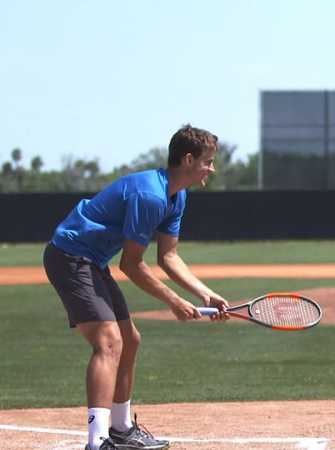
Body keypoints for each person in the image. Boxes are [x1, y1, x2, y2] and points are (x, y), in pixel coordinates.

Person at [43, 124, 229, 450]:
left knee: (130, 340)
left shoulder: (176, 196)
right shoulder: (151, 196)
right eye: (208, 161)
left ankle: (122, 429)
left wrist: (204, 293)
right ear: (188, 159)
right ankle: (97, 440)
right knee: (109, 342)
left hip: (92, 260)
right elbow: (131, 264)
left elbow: (169, 256)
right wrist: (174, 301)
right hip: (70, 256)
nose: (211, 169)